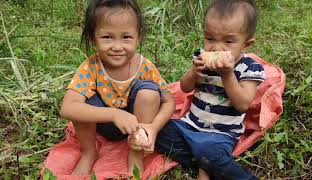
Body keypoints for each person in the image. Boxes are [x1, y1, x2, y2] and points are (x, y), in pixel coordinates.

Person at [59, 0, 175, 175]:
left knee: (150, 92)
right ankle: (89, 152)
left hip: (137, 124)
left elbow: (169, 102)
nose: (117, 47)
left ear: (139, 37)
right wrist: (114, 114)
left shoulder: (145, 66)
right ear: (93, 38)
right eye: (107, 37)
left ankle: (136, 152)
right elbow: (67, 108)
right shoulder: (91, 67)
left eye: (126, 37)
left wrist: (153, 127)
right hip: (103, 123)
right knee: (81, 103)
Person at [156, 0, 265, 179]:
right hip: (190, 125)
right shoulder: (200, 57)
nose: (216, 47)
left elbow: (243, 104)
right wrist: (193, 73)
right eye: (210, 38)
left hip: (220, 134)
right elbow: (184, 88)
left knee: (210, 152)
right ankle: (205, 163)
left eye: (228, 41)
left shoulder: (248, 68)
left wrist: (227, 75)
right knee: (159, 130)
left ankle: (235, 172)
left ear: (246, 44)